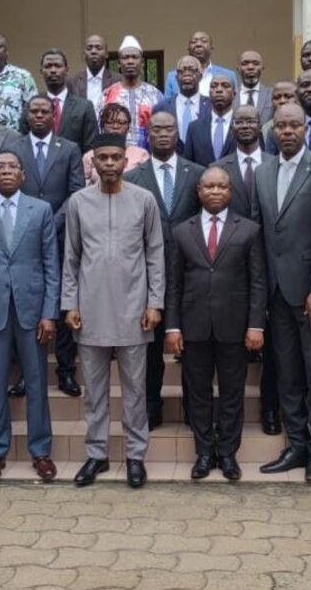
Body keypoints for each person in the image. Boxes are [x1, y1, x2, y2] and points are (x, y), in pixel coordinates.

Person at [64, 132, 165, 488]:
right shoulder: (78, 202)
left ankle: (136, 456)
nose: (109, 164)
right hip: (89, 311)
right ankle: (97, 455)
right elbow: (71, 257)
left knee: (136, 390)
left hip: (133, 311)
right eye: (102, 158)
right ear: (93, 162)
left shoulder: (144, 200)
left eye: (115, 158)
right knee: (95, 390)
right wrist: (69, 303)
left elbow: (155, 254)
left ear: (126, 161)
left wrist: (155, 302)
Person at [256, 103, 311, 482]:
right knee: (288, 375)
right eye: (281, 126)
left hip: (310, 293)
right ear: (273, 130)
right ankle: (296, 446)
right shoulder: (262, 171)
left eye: (295, 125)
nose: (288, 131)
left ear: (306, 128)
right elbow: (263, 235)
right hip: (276, 292)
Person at [0, 151, 60, 484]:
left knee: (36, 384)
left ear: (23, 175)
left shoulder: (41, 210)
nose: (5, 171)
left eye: (12, 167)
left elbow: (51, 266)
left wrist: (50, 313)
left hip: (33, 311)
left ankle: (41, 451)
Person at [165, 166, 266, 481]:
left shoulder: (248, 229)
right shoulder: (182, 231)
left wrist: (256, 325)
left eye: (222, 186)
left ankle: (228, 454)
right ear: (199, 191)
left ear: (231, 191)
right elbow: (174, 284)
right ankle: (204, 453)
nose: (215, 192)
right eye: (209, 187)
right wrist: (172, 326)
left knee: (232, 392)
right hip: (193, 327)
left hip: (234, 327)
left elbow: (258, 282)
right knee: (197, 392)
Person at [124, 111, 205, 428]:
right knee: (151, 349)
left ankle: (193, 411)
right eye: (155, 129)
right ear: (147, 133)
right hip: (147, 276)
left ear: (177, 133)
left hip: (191, 274)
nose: (162, 134)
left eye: (168, 129)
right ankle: (151, 409)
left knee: (193, 351)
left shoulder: (197, 173)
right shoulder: (133, 178)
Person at [4, 95, 85, 398]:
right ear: (26, 115)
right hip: (21, 238)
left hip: (61, 234)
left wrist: (50, 221)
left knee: (63, 301)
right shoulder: (13, 148)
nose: (39, 116)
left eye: (45, 111)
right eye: (33, 111)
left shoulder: (70, 149)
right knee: (27, 303)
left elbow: (76, 192)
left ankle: (65, 370)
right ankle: (26, 373)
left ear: (54, 116)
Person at [211, 105, 281, 433]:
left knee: (277, 342)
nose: (244, 126)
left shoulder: (277, 164)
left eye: (250, 121)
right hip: (232, 265)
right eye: (238, 121)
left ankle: (270, 409)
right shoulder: (216, 169)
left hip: (276, 260)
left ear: (261, 126)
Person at [102, 36, 163, 149]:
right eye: (125, 58)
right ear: (119, 63)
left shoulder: (156, 95)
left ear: (142, 62)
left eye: (135, 57)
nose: (130, 61)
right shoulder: (107, 95)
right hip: (114, 157)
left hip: (147, 159)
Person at [31, 49, 97, 152]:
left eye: (57, 66)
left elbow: (91, 146)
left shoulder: (84, 106)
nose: (53, 70)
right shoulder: (32, 106)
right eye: (48, 66)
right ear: (41, 71)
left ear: (67, 70)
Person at [81, 103, 150, 185]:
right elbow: (84, 186)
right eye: (110, 122)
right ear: (103, 126)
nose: (115, 126)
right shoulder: (90, 156)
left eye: (121, 123)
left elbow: (147, 184)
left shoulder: (141, 154)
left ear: (128, 126)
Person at [154, 56, 211, 148]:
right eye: (182, 70)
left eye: (192, 70)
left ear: (200, 77)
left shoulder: (211, 105)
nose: (187, 74)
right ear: (176, 77)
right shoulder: (161, 107)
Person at [163, 30, 238, 99]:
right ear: (188, 48)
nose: (198, 44)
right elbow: (168, 106)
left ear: (211, 48)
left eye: (204, 41)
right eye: (193, 42)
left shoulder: (229, 75)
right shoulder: (173, 76)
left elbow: (234, 103)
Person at [184, 74, 237, 165]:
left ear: (234, 94)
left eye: (225, 86)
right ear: (209, 93)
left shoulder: (244, 126)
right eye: (214, 86)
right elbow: (188, 165)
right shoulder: (194, 128)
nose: (219, 90)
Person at [67, 34, 122, 114]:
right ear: (83, 54)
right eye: (89, 48)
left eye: (98, 48)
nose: (93, 51)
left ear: (106, 54)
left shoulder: (118, 80)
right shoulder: (72, 81)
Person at [234, 50, 274, 124]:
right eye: (245, 63)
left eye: (256, 63)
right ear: (238, 69)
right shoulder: (231, 96)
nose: (250, 67)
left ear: (262, 68)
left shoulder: (272, 95)